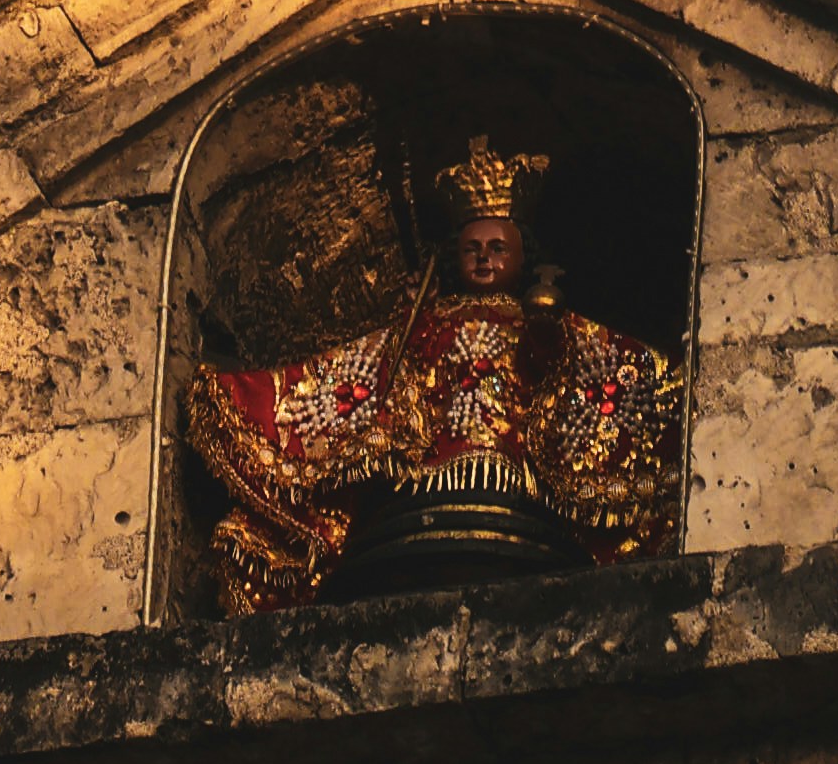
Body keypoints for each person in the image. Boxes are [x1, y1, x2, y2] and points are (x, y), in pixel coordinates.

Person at [184, 135, 683, 607]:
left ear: (522, 256)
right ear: (453, 258)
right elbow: (354, 370)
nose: (484, 258)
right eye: (473, 249)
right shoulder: (422, 328)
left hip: (518, 484)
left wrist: (552, 342)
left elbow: (614, 368)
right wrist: (244, 394)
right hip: (429, 484)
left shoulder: (542, 322)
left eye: (497, 248)